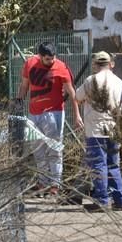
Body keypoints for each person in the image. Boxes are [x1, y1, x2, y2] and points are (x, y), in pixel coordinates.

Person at [16, 42, 83, 196]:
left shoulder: (61, 67)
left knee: (54, 149)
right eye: (47, 59)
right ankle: (42, 182)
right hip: (34, 113)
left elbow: (72, 93)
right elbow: (24, 85)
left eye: (52, 58)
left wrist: (77, 114)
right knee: (37, 149)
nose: (50, 61)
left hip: (54, 114)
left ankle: (55, 184)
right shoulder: (30, 64)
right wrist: (19, 101)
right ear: (39, 56)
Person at [76, 51, 122, 212]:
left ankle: (101, 200)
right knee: (113, 164)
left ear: (95, 64)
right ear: (110, 64)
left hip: (95, 129)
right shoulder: (120, 82)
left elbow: (78, 98)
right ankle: (120, 200)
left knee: (98, 165)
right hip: (114, 128)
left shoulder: (90, 81)